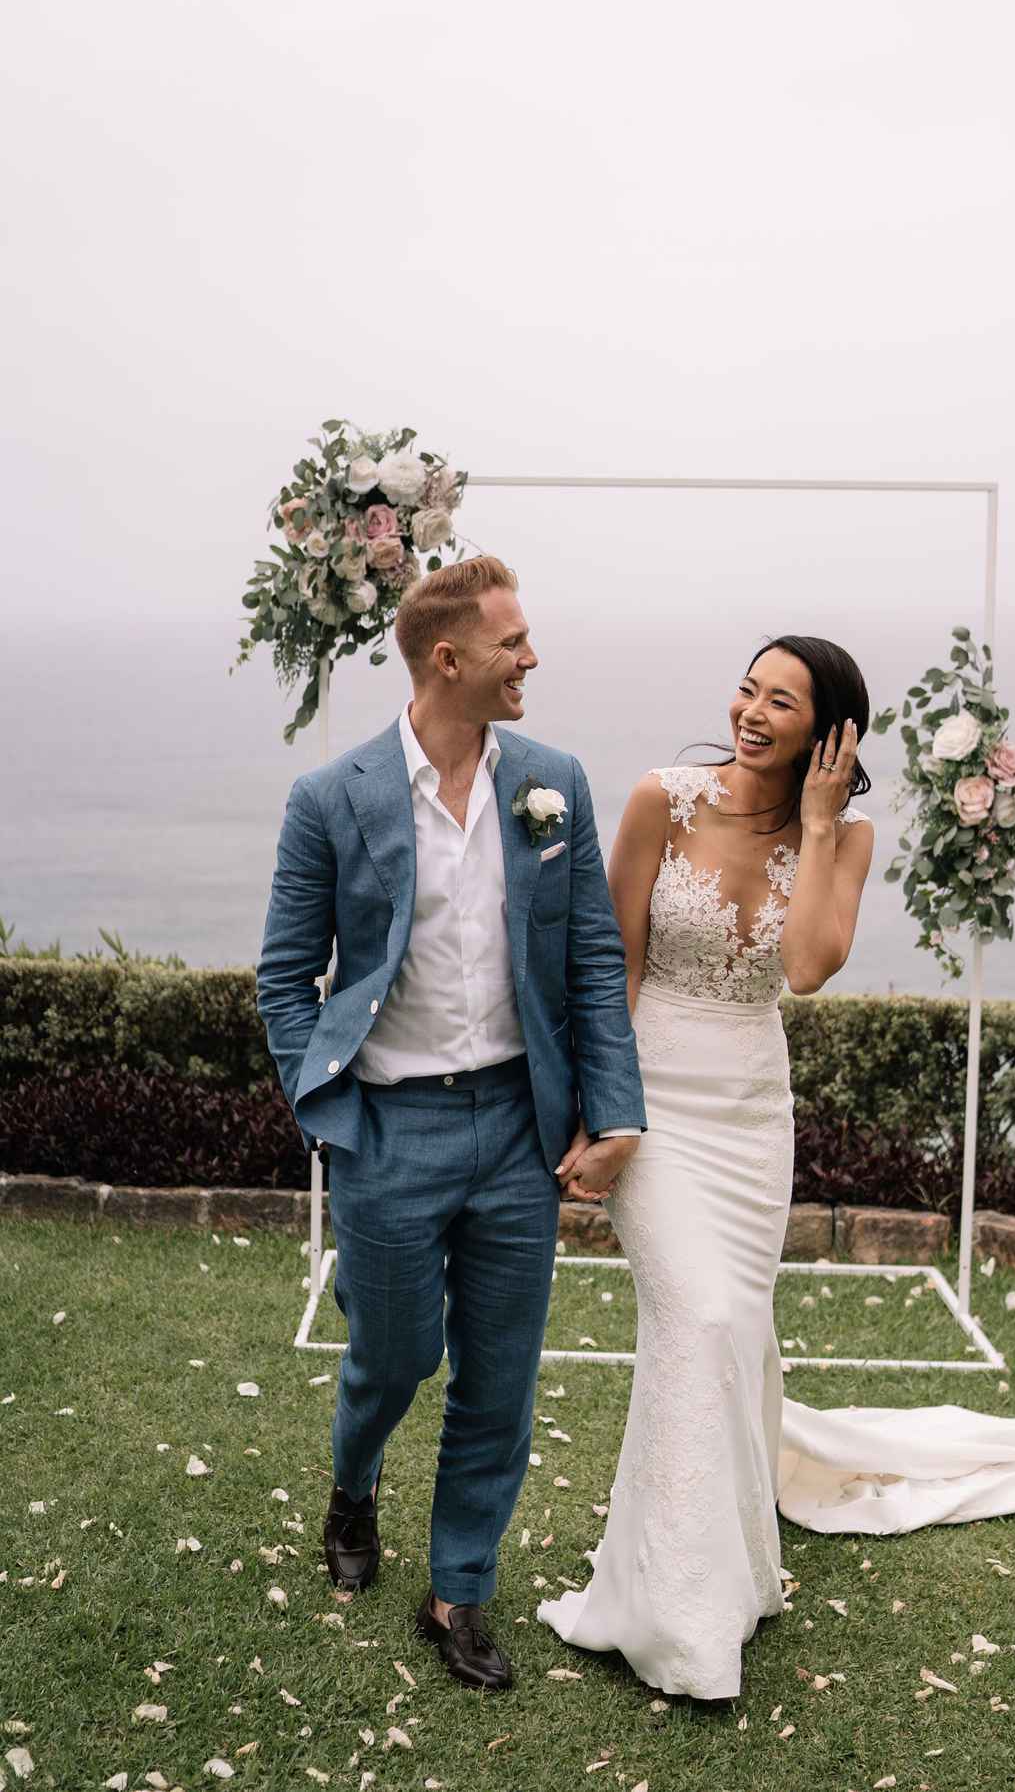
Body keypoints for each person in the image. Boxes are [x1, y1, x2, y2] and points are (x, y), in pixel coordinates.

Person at [536, 634, 1015, 1700]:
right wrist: (603, 1113)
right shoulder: (663, 796)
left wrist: (815, 825)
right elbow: (614, 959)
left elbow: (802, 969)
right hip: (655, 1105)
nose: (750, 711)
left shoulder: (848, 838)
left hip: (751, 1115)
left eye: (780, 702)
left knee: (732, 1331)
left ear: (827, 732)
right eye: (747, 689)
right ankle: (671, 1614)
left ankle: (728, 1578)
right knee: (698, 1320)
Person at [256, 554, 646, 1692]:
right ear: (449, 659)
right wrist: (327, 1114)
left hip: (520, 1129)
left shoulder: (553, 782)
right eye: (514, 642)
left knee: (501, 1376)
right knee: (394, 1354)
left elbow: (586, 965)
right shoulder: (332, 799)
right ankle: (354, 1480)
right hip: (387, 1127)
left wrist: (611, 1115)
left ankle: (458, 1589)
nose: (532, 659)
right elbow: (286, 980)